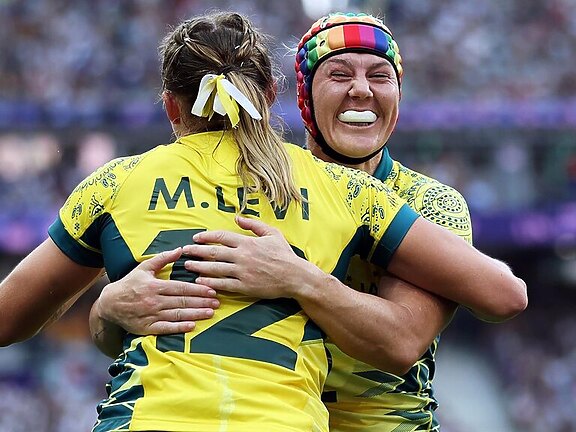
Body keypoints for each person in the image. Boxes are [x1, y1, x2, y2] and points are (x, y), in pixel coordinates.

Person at [0, 11, 527, 432]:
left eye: (379, 75)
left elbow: (405, 341)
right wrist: (108, 310)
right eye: (339, 73)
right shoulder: (330, 190)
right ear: (287, 94)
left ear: (171, 107)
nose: (361, 90)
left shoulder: (428, 201)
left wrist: (296, 277)